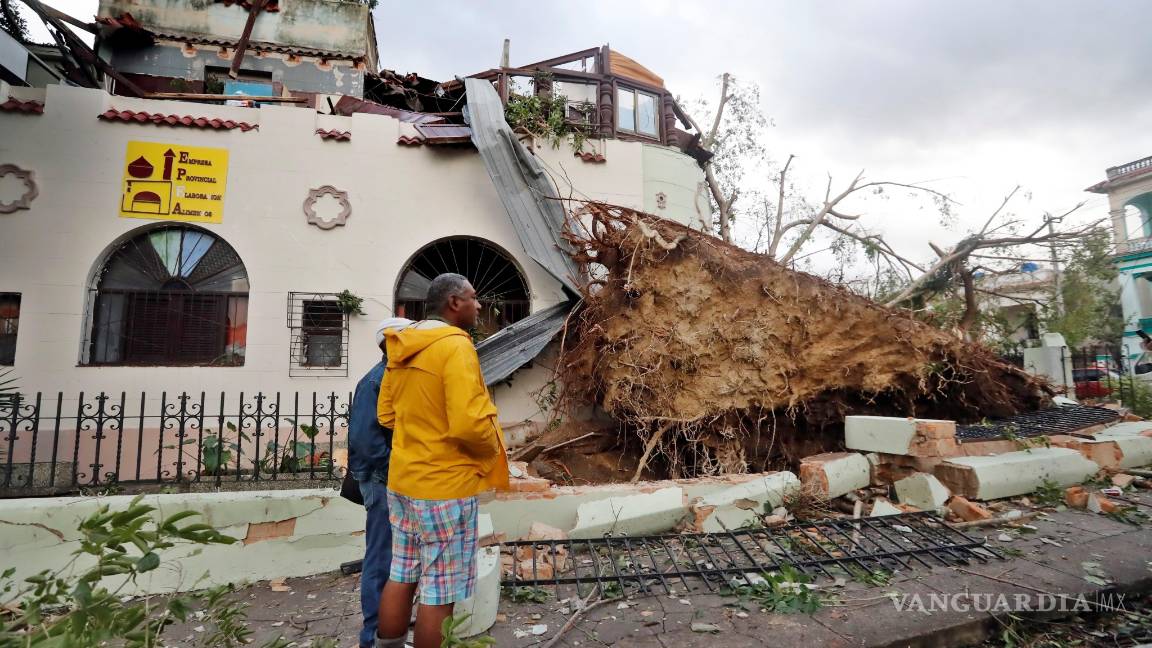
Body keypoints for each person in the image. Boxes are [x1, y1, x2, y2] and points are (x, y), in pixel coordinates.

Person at [375, 273, 510, 648]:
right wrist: (489, 454)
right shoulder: (455, 346)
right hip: (445, 487)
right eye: (473, 298)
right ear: (454, 303)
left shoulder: (402, 344)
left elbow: (386, 415)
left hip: (403, 481)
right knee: (440, 588)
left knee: (402, 572)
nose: (479, 305)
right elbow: (469, 423)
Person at [348, 317, 412, 648]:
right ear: (392, 342)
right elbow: (366, 442)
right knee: (381, 556)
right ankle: (372, 634)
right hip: (380, 479)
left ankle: (392, 624)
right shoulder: (375, 382)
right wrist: (398, 466)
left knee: (397, 555)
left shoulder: (395, 379)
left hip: (393, 478)